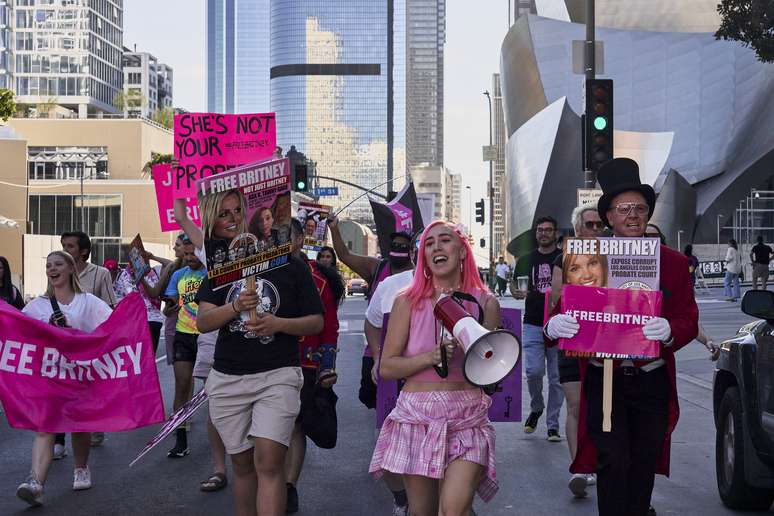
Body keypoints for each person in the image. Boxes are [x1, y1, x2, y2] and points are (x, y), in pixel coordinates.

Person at [544, 157, 699, 516]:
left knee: (643, 463)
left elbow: (689, 317)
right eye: (623, 208)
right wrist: (555, 325)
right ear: (609, 216)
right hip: (604, 379)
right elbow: (559, 312)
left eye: (640, 208)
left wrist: (671, 330)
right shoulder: (587, 258)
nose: (633, 215)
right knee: (612, 460)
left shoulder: (673, 262)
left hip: (651, 380)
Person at [370, 220, 501, 516]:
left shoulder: (485, 302)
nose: (436, 247)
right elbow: (388, 368)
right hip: (417, 415)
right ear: (423, 257)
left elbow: (493, 368)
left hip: (466, 416)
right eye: (429, 244)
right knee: (422, 511)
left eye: (445, 240)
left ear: (462, 251)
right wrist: (429, 358)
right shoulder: (407, 301)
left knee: (453, 509)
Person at [196, 250, 324, 515]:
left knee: (269, 463)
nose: (234, 220)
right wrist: (235, 307)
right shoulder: (222, 265)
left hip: (278, 375)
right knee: (242, 466)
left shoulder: (292, 265)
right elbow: (204, 321)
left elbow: (316, 322)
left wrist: (279, 324)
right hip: (228, 379)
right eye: (226, 213)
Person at [16, 251, 112, 507]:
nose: (52, 269)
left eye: (58, 264)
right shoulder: (36, 306)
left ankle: (81, 468)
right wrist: (47, 328)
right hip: (49, 378)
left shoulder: (89, 302)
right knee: (45, 427)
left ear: (71, 268)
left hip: (80, 375)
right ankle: (36, 483)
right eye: (48, 265)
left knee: (80, 426)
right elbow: (19, 333)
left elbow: (110, 328)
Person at [285, 219, 344, 513]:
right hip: (260, 364)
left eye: (285, 235)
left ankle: (289, 487)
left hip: (304, 364)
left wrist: (327, 366)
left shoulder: (319, 280)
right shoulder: (256, 276)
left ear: (297, 241)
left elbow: (330, 327)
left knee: (295, 426)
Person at [328, 215, 415, 410]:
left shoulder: (419, 276)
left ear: (411, 251)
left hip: (409, 352)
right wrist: (334, 229)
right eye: (394, 245)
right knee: (370, 397)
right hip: (376, 348)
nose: (397, 250)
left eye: (402, 246)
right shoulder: (377, 268)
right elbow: (345, 255)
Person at [549, 204, 604, 498]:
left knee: (603, 405)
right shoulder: (563, 258)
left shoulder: (614, 256)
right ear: (577, 228)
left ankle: (601, 460)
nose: (595, 230)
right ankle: (579, 467)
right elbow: (559, 300)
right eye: (589, 225)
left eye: (599, 225)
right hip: (574, 339)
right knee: (575, 404)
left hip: (609, 342)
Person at [363, 233, 420, 516]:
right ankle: (401, 498)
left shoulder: (464, 288)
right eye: (428, 246)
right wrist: (377, 356)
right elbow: (372, 324)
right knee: (388, 453)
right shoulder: (390, 286)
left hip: (439, 388)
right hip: (393, 381)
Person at [60, 230, 116, 449]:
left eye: (70, 247)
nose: (65, 250)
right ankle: (59, 437)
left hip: (92, 343)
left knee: (90, 387)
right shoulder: (59, 273)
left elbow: (111, 307)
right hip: (64, 343)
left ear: (83, 252)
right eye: (63, 245)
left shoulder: (100, 274)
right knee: (63, 388)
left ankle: (94, 425)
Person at [512, 216, 564, 440]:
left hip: (558, 323)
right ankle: (537, 407)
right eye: (540, 230)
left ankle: (552, 424)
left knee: (557, 378)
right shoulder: (526, 259)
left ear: (555, 233)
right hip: (532, 322)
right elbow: (515, 285)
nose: (543, 233)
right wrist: (516, 292)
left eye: (548, 230)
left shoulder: (564, 258)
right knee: (533, 372)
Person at [163, 241, 207, 458]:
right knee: (182, 385)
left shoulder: (212, 271)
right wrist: (169, 308)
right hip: (183, 335)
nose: (189, 258)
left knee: (213, 389)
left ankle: (224, 436)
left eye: (193, 254)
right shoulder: (178, 274)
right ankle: (180, 439)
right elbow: (169, 304)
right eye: (187, 254)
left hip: (208, 335)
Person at [112, 257, 165, 354]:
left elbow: (171, 265)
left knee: (144, 358)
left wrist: (153, 257)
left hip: (152, 321)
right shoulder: (125, 275)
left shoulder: (156, 270)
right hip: (137, 321)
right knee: (143, 358)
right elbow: (121, 298)